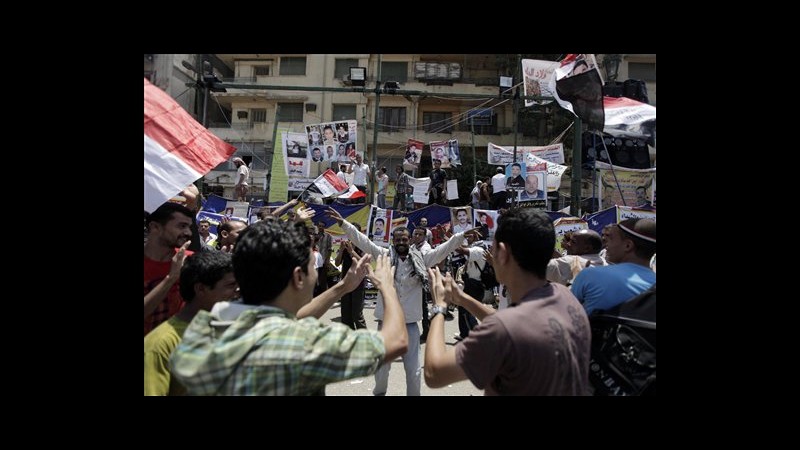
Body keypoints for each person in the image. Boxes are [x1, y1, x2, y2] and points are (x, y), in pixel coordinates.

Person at [169, 218, 409, 395]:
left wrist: (343, 287)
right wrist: (386, 285)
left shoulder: (199, 330)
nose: (316, 274)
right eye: (312, 267)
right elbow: (396, 341)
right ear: (298, 277)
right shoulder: (303, 343)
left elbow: (288, 319)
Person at [423, 208, 592, 395]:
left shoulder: (504, 330)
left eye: (493, 249)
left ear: (502, 253)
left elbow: (434, 373)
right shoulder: (565, 297)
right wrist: (463, 299)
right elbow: (516, 324)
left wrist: (439, 307)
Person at [327, 207, 472, 396]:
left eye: (405, 239)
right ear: (393, 242)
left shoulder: (422, 259)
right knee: (382, 369)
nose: (402, 243)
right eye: (398, 240)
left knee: (413, 370)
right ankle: (379, 393)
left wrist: (460, 237)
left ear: (410, 240)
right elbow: (363, 241)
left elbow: (443, 249)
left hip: (410, 324)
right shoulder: (384, 255)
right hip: (386, 324)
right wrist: (343, 223)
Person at [144, 252, 238, 395]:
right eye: (231, 285)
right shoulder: (161, 344)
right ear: (200, 289)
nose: (238, 291)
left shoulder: (231, 330)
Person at [571, 218, 656, 315]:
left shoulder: (591, 275)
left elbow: (568, 315)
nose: (606, 243)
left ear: (628, 246)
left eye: (611, 238)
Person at [144, 202, 194, 336]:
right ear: (155, 227)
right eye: (182, 226)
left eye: (189, 227)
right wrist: (171, 278)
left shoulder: (191, 261)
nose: (188, 233)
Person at [336, 233, 366, 329]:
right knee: (345, 314)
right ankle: (348, 337)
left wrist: (352, 251)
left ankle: (364, 338)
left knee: (357, 314)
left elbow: (364, 263)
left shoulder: (363, 247)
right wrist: (341, 250)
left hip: (358, 284)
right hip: (346, 284)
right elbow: (337, 263)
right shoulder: (344, 247)